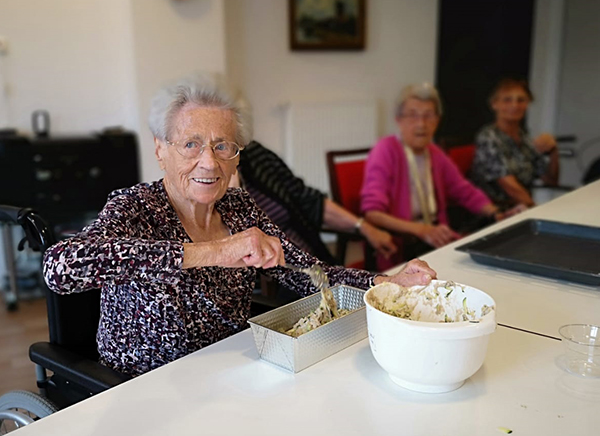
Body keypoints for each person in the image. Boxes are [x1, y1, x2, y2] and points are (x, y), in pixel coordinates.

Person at [42, 74, 436, 377]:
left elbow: (308, 274)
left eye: (223, 146)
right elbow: (60, 267)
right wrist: (214, 252)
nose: (209, 163)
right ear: (161, 150)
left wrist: (392, 284)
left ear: (237, 157)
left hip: (230, 376)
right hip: (144, 387)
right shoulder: (134, 207)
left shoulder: (238, 207)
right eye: (191, 144)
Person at [361, 83, 505, 271]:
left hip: (435, 242)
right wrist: (421, 230)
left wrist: (496, 213)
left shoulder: (435, 153)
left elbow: (464, 191)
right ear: (399, 120)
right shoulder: (385, 150)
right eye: (413, 115)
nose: (421, 124)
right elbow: (373, 214)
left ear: (437, 121)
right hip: (401, 249)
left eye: (428, 115)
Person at [231, 140, 397, 266]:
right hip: (276, 283)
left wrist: (364, 227)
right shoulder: (212, 188)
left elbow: (308, 200)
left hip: (312, 263)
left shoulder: (256, 156)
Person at [470, 78, 560, 209]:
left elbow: (551, 180)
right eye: (507, 100)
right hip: (495, 211)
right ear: (494, 104)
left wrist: (553, 152)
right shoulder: (488, 137)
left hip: (522, 208)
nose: (514, 105)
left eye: (521, 100)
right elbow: (510, 188)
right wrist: (535, 210)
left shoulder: (525, 137)